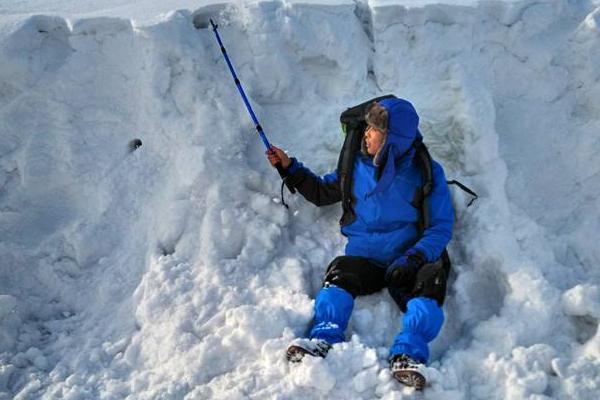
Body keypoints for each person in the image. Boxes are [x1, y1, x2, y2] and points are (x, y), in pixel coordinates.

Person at [267, 97, 454, 390]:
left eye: (373, 130)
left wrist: (416, 257)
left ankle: (408, 354)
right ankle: (323, 337)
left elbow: (440, 226)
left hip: (409, 260)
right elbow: (322, 191)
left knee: (433, 277)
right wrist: (290, 168)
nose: (365, 134)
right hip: (365, 257)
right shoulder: (354, 166)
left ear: (392, 139)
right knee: (340, 270)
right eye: (366, 127)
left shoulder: (426, 172)